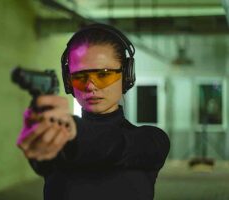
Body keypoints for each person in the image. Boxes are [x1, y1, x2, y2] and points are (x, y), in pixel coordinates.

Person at [17, 23, 170, 200]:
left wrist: (71, 130)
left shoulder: (151, 141)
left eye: (104, 74)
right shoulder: (62, 140)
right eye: (80, 77)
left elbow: (111, 144)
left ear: (126, 75)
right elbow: (43, 163)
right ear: (69, 82)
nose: (90, 86)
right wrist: (39, 135)